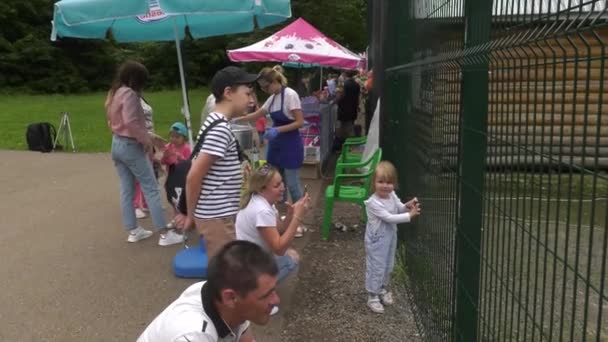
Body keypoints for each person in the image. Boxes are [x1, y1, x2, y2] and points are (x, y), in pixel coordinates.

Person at [184, 66, 259, 259]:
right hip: (216, 217)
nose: (251, 100)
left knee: (226, 271)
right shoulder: (220, 130)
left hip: (218, 214)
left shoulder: (215, 122)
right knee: (226, 274)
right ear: (228, 93)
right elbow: (194, 176)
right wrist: (190, 216)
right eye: (247, 93)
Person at [137, 240, 279, 342]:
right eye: (267, 295)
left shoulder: (221, 296)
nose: (276, 300)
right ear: (230, 298)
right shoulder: (193, 335)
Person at [105, 60, 173, 244]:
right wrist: (145, 141)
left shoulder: (116, 93)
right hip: (130, 146)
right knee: (150, 186)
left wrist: (149, 136)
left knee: (127, 189)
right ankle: (164, 234)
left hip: (117, 144)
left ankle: (133, 231)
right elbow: (131, 122)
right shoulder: (130, 95)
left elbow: (116, 122)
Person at [235, 164, 310, 314]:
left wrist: (290, 215)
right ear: (262, 189)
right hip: (250, 263)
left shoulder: (261, 201)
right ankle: (256, 293)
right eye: (276, 185)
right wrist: (297, 217)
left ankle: (254, 287)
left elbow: (280, 229)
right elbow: (279, 248)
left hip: (245, 258)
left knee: (290, 254)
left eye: (281, 182)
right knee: (291, 258)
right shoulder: (262, 210)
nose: (283, 187)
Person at [239, 66, 305, 206]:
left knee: (292, 184)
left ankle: (298, 215)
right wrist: (237, 118)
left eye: (266, 87)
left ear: (275, 81)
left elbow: (299, 122)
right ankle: (280, 215)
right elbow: (258, 114)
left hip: (291, 145)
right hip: (276, 146)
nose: (264, 90)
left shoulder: (290, 95)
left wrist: (278, 130)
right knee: (277, 183)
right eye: (262, 88)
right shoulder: (272, 98)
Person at [364, 161, 421, 314]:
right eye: (381, 182)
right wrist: (410, 215)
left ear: (394, 184)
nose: (385, 186)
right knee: (376, 266)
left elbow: (399, 208)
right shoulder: (373, 203)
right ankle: (372, 295)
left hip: (390, 237)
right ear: (374, 183)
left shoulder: (392, 195)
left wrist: (407, 205)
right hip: (377, 240)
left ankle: (381, 288)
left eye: (389, 182)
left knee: (388, 264)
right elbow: (389, 217)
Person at [160, 122, 192, 240]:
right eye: (172, 136)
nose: (174, 139)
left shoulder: (187, 148)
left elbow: (189, 163)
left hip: (182, 180)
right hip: (171, 178)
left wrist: (179, 157)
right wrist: (166, 155)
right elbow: (163, 162)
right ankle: (177, 219)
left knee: (182, 201)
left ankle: (183, 221)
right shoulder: (169, 146)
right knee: (173, 200)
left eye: (177, 137)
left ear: (184, 137)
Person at [335, 70, 361, 148]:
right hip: (353, 109)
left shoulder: (344, 85)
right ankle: (344, 146)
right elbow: (358, 97)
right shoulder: (356, 85)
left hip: (344, 110)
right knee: (347, 127)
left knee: (347, 129)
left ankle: (351, 146)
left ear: (345, 75)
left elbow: (340, 97)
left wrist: (337, 97)